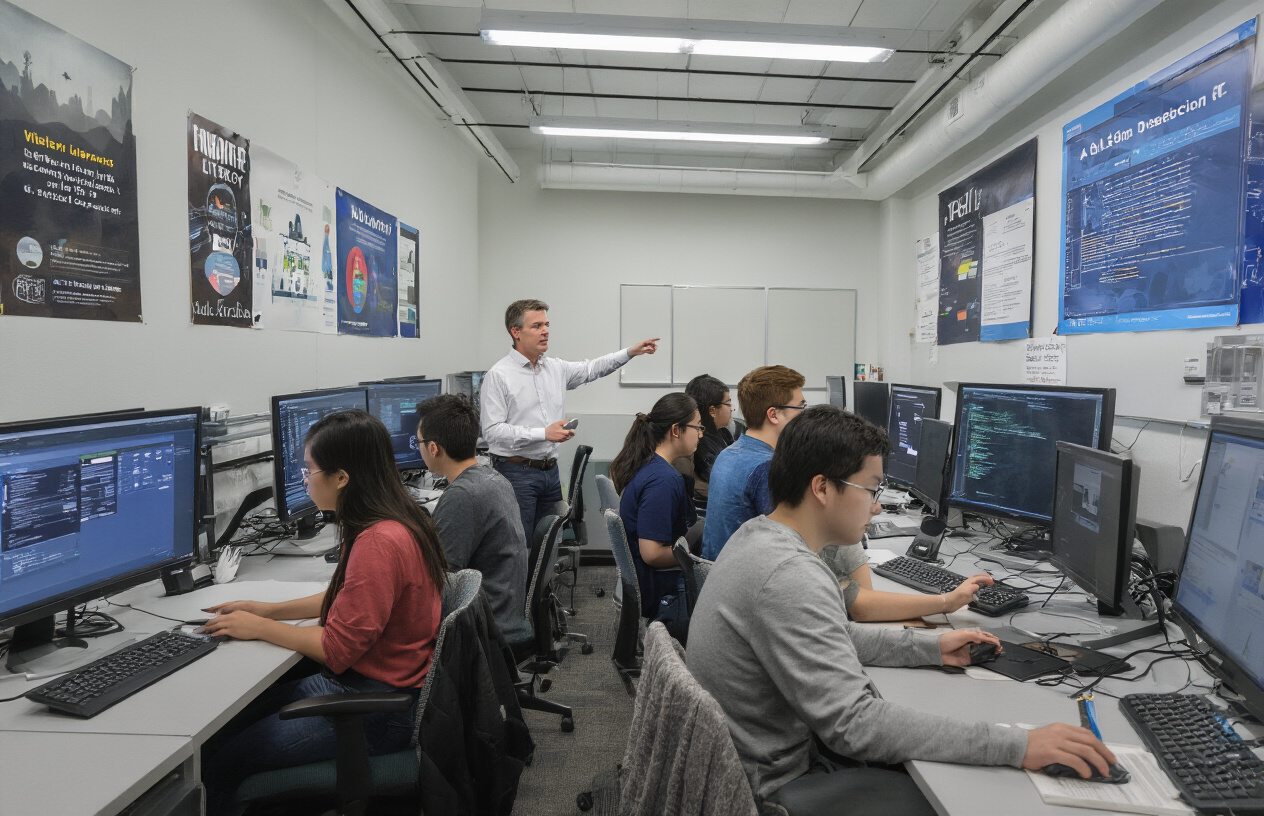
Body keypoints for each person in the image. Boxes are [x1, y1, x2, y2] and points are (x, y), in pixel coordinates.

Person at [687, 406, 1116, 815]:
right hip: (774, 786)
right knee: (970, 798)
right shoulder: (789, 574)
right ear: (821, 487)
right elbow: (855, 725)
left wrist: (931, 646)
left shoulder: (758, 535)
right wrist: (1016, 744)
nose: (876, 505)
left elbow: (830, 636)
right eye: (871, 489)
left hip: (755, 762)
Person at [199, 410, 448, 816]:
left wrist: (258, 627)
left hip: (373, 711)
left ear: (342, 478)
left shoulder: (379, 542)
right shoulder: (388, 520)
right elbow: (350, 597)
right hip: (365, 690)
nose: (304, 479)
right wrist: (269, 611)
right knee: (226, 728)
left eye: (309, 470)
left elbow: (336, 649)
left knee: (219, 765)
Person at [481, 298, 659, 539]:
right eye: (537, 326)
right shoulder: (499, 375)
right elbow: (492, 431)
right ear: (516, 332)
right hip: (516, 473)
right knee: (519, 547)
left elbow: (592, 369)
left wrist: (630, 353)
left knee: (548, 544)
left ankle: (544, 579)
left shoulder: (555, 369)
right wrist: (544, 433)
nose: (545, 331)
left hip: (549, 473)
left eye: (546, 324)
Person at [416, 394, 531, 643]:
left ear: (433, 448)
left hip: (484, 629)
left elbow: (439, 579)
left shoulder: (462, 496)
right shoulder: (494, 479)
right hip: (503, 612)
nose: (420, 448)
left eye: (420, 443)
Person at [609, 393, 701, 619]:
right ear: (676, 430)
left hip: (653, 583)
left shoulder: (651, 466)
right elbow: (651, 554)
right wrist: (695, 557)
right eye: (697, 427)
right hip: (663, 593)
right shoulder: (663, 480)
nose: (700, 434)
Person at [700, 365, 805, 560]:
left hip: (720, 576)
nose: (804, 416)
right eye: (801, 407)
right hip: (745, 582)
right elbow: (789, 547)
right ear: (773, 414)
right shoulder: (766, 468)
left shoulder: (729, 453)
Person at [683, 373, 733, 502]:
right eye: (728, 404)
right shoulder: (699, 444)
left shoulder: (724, 434)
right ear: (712, 411)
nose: (731, 409)